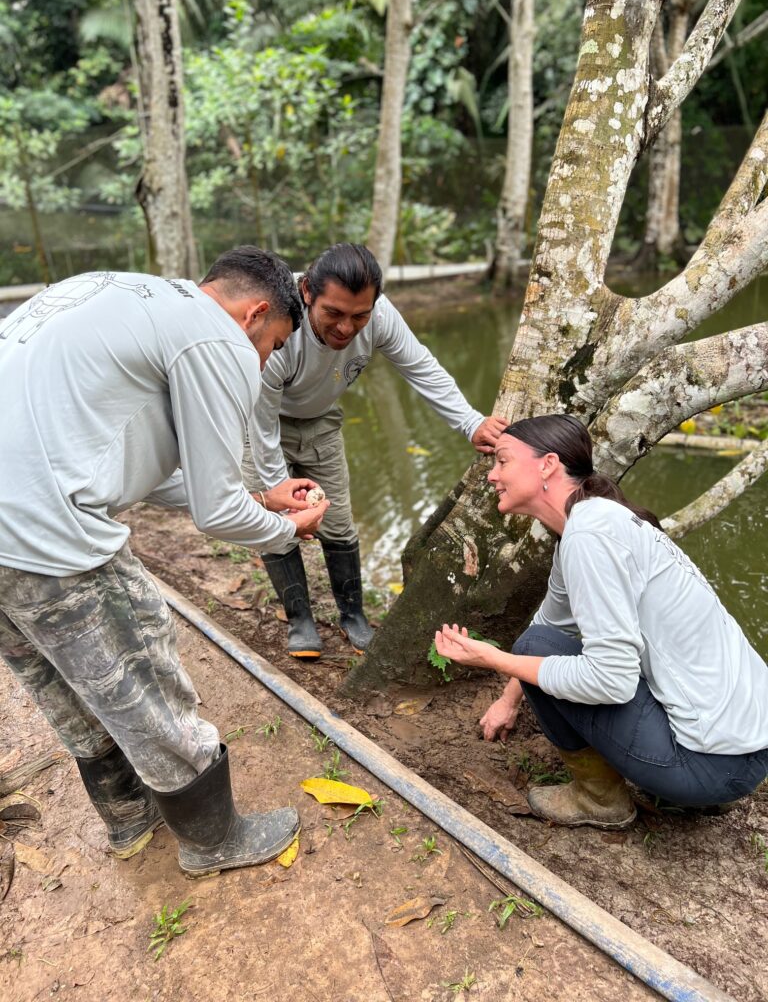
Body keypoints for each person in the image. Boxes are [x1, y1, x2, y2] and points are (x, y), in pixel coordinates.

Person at [0, 247, 331, 875]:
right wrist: (288, 528)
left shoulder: (121, 295)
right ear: (254, 313)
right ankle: (214, 840)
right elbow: (216, 513)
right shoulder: (218, 338)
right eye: (272, 346)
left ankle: (128, 818)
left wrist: (260, 495)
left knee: (58, 677)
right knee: (137, 669)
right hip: (44, 530)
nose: (262, 364)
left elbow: (135, 466)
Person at [435, 414, 768, 828]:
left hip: (711, 768)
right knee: (540, 641)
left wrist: (495, 659)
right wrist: (508, 700)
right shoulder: (592, 522)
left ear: (547, 465)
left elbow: (611, 679)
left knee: (534, 651)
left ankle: (599, 799)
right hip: (748, 750)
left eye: (502, 461)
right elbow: (549, 623)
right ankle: (684, 780)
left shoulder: (589, 537)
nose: (492, 475)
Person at [244, 242, 508, 658]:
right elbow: (261, 425)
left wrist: (471, 421)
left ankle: (353, 617)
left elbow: (420, 366)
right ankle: (300, 621)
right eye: (334, 313)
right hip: (260, 420)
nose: (347, 329)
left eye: (359, 316)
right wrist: (282, 493)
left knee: (340, 523)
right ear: (308, 291)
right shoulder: (280, 323)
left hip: (319, 422)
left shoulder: (380, 317)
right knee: (276, 525)